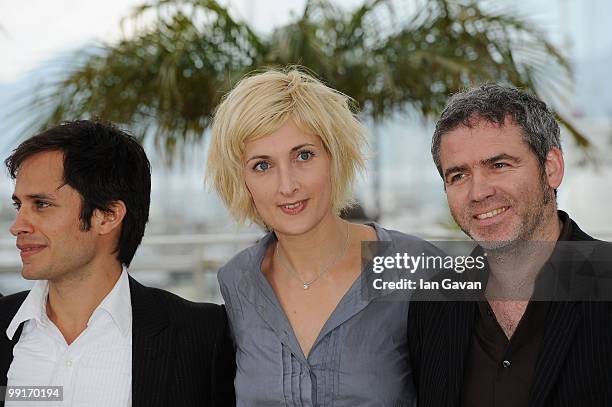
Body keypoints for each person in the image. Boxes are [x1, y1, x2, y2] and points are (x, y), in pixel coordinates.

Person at [207, 68, 440, 406]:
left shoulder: (417, 267)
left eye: (304, 155)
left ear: (335, 157)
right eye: (262, 165)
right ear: (241, 180)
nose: (287, 185)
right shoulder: (237, 281)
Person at [0, 120, 235, 407]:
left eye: (41, 204)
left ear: (108, 216)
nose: (18, 225)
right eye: (18, 205)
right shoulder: (5, 324)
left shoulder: (201, 335)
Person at [408, 84, 612, 407]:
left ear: (552, 168)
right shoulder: (432, 304)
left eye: (499, 165)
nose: (478, 192)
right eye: (458, 176)